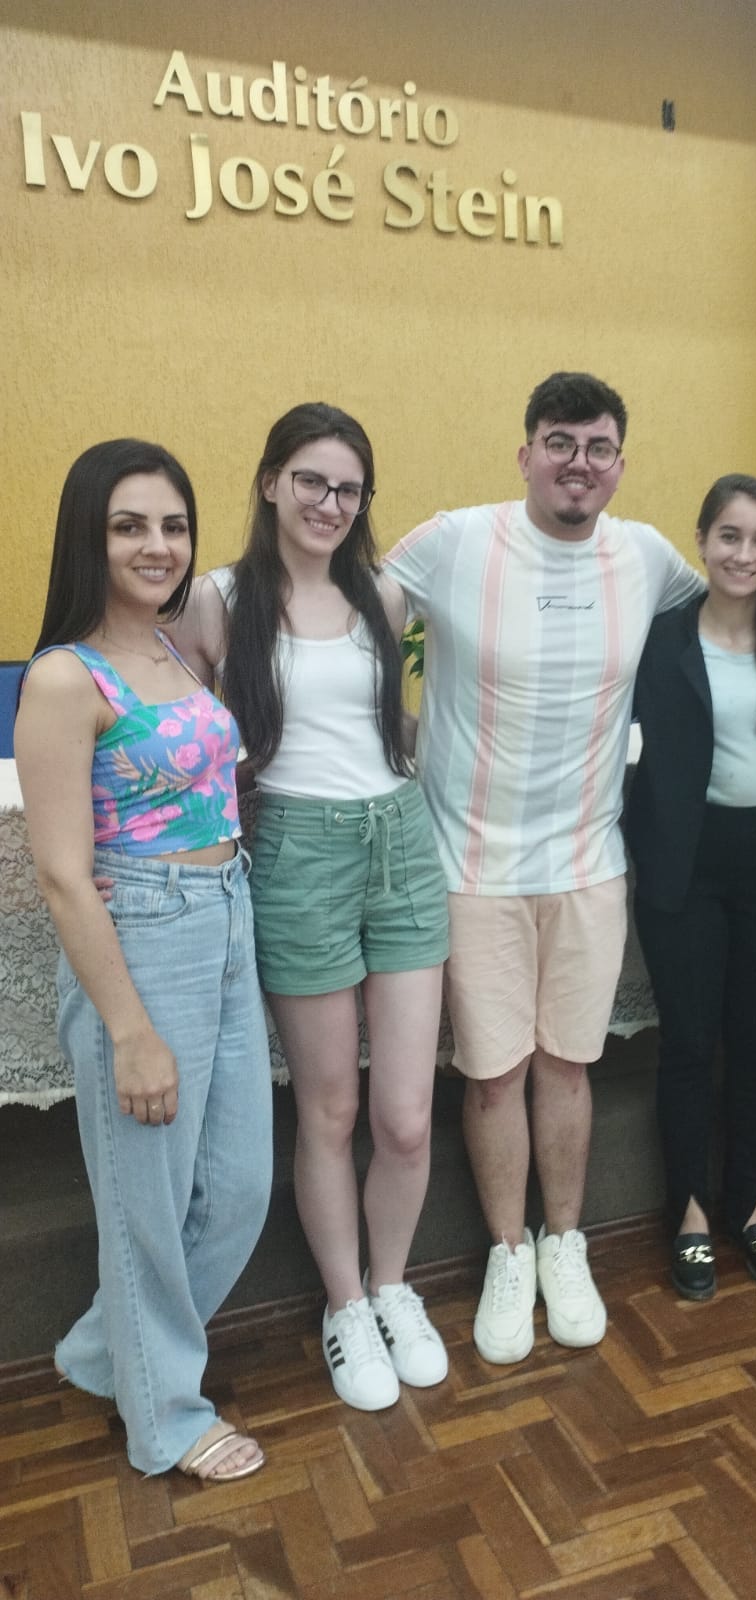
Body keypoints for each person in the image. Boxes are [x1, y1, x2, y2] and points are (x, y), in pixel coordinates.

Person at [381, 371, 704, 1365]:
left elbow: (737, 617)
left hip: (589, 863)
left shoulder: (646, 555)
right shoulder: (455, 542)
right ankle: (508, 1253)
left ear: (619, 464)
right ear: (524, 454)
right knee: (493, 1075)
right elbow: (345, 622)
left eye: (598, 446)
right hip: (471, 865)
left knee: (568, 1065)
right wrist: (393, 734)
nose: (578, 462)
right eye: (559, 442)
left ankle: (565, 1243)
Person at [172, 403, 449, 1411]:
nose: (331, 503)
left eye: (349, 489)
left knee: (405, 1115)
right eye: (312, 481)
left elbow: (398, 719)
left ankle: (393, 1285)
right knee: (330, 1108)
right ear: (270, 483)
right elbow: (171, 731)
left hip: (401, 843)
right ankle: (345, 1305)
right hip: (297, 853)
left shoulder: (387, 594)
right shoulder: (218, 601)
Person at [15, 440, 272, 1479]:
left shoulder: (175, 652)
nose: (157, 545)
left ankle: (100, 1351)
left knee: (240, 1184)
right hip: (145, 940)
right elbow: (63, 874)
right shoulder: (62, 677)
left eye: (172, 524)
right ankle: (163, 1414)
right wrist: (128, 1030)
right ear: (90, 536)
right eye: (130, 525)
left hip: (226, 919)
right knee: (147, 1202)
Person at [626, 474, 756, 1299]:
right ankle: (689, 1213)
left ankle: (749, 1203)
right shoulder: (661, 639)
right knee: (688, 1043)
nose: (745, 554)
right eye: (730, 536)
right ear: (703, 541)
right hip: (686, 864)